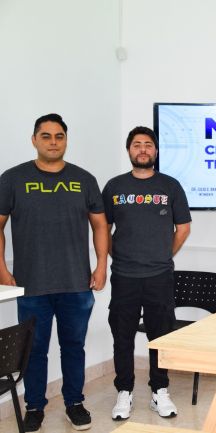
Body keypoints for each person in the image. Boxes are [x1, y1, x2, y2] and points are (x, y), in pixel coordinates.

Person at [0, 113, 108, 432]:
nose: (53, 142)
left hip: (77, 284)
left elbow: (100, 224)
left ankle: (74, 403)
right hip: (31, 285)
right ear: (34, 140)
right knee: (34, 350)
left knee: (73, 346)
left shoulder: (84, 179)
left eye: (59, 136)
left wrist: (102, 265)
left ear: (66, 140)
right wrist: (2, 269)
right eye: (46, 136)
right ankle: (35, 406)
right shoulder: (13, 178)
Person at [102, 126, 191, 421]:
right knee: (123, 336)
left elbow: (183, 228)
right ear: (129, 150)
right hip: (124, 276)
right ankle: (124, 391)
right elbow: (103, 229)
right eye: (137, 144)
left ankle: (159, 391)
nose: (143, 149)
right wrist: (118, 256)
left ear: (156, 150)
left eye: (148, 144)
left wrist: (163, 255)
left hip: (159, 277)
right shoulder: (114, 187)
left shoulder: (170, 186)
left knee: (160, 337)